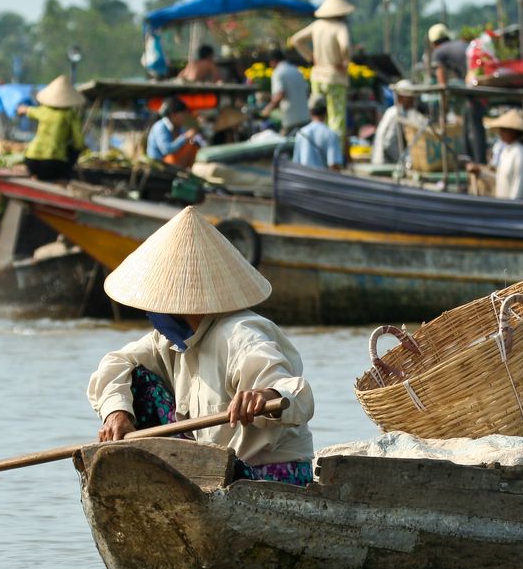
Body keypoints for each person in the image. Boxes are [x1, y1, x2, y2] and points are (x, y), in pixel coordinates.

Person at [87, 205, 315, 486]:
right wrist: (117, 413)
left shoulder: (241, 335)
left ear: (175, 305)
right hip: (213, 469)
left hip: (266, 475)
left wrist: (264, 395)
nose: (150, 314)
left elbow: (299, 397)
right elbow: (115, 364)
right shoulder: (171, 340)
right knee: (136, 380)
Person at [288, 0, 352, 147]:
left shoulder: (317, 25)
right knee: (336, 118)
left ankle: (317, 149)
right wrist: (344, 62)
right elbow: (345, 46)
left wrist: (310, 57)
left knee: (317, 117)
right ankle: (335, 153)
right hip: (334, 77)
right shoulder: (340, 27)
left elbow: (295, 40)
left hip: (317, 76)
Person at [428, 22, 486, 165]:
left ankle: (478, 163)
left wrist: (444, 109)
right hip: (477, 82)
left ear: (433, 43)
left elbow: (442, 86)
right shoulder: (458, 44)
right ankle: (471, 161)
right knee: (470, 120)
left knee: (474, 124)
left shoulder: (439, 52)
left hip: (474, 86)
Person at [17, 75, 86, 181]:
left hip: (31, 161)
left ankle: (37, 175)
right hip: (53, 164)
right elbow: (79, 142)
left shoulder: (43, 110)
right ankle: (63, 176)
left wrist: (20, 109)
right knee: (74, 150)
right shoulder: (70, 115)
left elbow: (24, 109)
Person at [467, 109, 523, 200]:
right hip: (506, 205)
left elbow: (519, 186)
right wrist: (480, 173)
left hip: (516, 209)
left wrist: (512, 207)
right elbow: (500, 178)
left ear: (513, 132)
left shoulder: (520, 153)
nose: (500, 133)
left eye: (503, 130)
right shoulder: (507, 151)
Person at [370, 80, 422, 165]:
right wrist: (404, 161)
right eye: (409, 98)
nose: (412, 101)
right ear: (401, 97)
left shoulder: (396, 111)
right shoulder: (396, 114)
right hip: (384, 163)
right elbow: (389, 144)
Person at [261, 48, 310, 134]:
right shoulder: (296, 70)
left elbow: (280, 94)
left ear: (273, 61)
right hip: (305, 117)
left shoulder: (278, 72)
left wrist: (267, 109)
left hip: (291, 119)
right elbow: (307, 91)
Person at [147, 96, 205, 168]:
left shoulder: (178, 127)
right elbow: (166, 149)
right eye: (183, 115)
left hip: (172, 166)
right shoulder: (160, 127)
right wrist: (185, 137)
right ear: (173, 115)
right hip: (157, 166)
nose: (184, 118)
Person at [293, 96, 344, 171]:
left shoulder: (301, 133)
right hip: (321, 181)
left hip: (304, 180)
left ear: (310, 112)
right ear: (326, 111)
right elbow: (334, 166)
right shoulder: (331, 135)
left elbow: (296, 163)